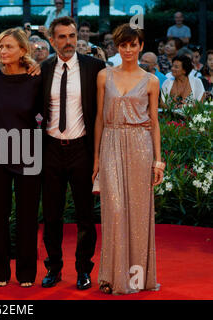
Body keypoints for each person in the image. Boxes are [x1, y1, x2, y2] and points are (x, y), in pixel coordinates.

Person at [93, 23, 163, 295]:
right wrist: (96, 157)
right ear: (117, 47)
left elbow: (155, 122)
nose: (128, 50)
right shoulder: (104, 76)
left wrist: (158, 160)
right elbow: (99, 118)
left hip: (140, 147)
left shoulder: (151, 81)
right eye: (123, 45)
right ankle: (111, 276)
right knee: (115, 211)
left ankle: (137, 278)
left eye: (133, 45)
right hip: (110, 142)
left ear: (141, 46)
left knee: (138, 213)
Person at [40, 16, 105, 290]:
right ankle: (54, 268)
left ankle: (83, 270)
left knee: (85, 216)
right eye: (62, 37)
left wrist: (100, 156)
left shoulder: (95, 68)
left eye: (72, 35)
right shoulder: (42, 70)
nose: (68, 42)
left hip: (82, 149)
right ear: (52, 40)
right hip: (51, 149)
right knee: (52, 215)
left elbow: (104, 111)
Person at [0, 28, 43, 288]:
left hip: (28, 153)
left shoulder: (35, 79)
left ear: (23, 51)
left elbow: (44, 115)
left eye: (9, 47)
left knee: (27, 216)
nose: (3, 52)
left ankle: (26, 273)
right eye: (0, 47)